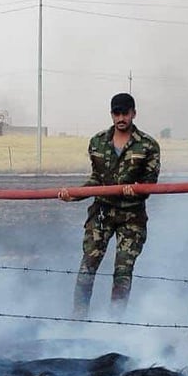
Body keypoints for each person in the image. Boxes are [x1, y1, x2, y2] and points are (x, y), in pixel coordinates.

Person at [59, 93, 161, 317]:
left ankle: (115, 325)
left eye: (125, 113)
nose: (121, 117)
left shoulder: (148, 145)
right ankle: (78, 319)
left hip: (131, 217)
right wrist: (74, 195)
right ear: (111, 114)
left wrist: (134, 189)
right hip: (102, 213)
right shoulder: (97, 142)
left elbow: (150, 185)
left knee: (123, 272)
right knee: (87, 268)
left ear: (134, 113)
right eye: (117, 113)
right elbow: (97, 179)